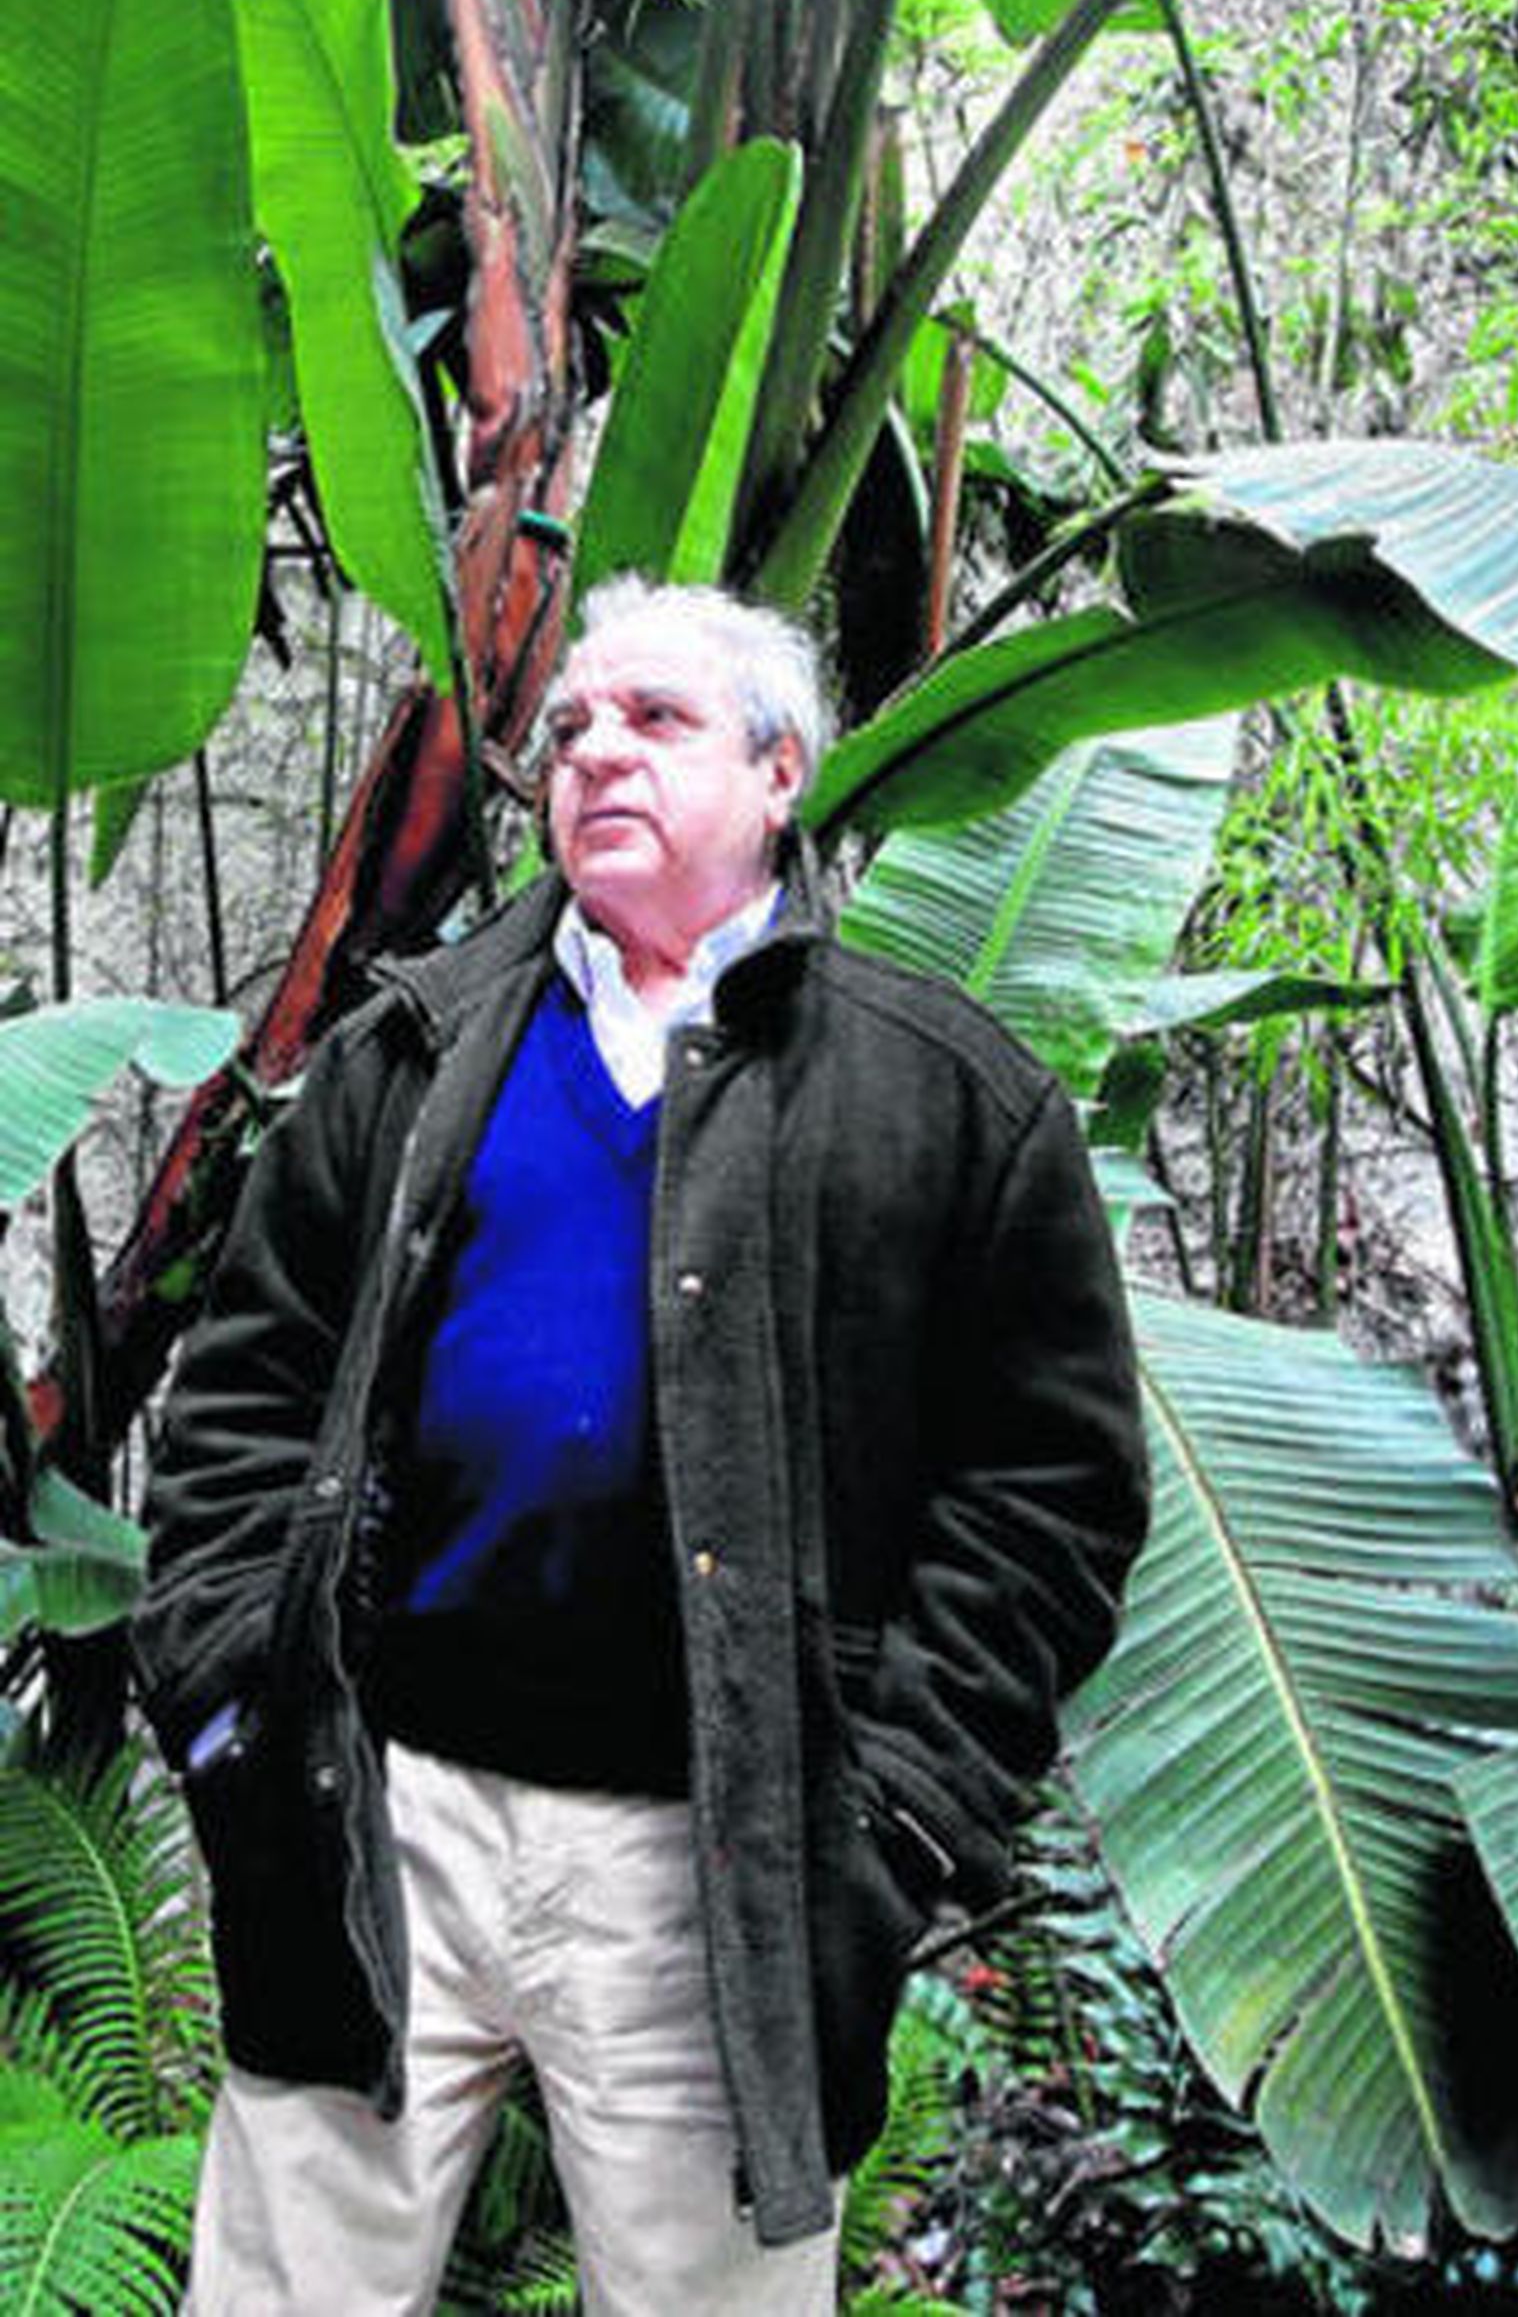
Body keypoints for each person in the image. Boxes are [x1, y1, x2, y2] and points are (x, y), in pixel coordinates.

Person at [132, 575, 1149, 2316]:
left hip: (723, 1864)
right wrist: (239, 1708)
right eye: (574, 726)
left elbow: (1051, 1498)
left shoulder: (946, 1102)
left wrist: (894, 1818)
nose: (593, 750)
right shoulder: (416, 1045)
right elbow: (245, 1393)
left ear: (779, 775)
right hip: (381, 1815)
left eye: (657, 720)